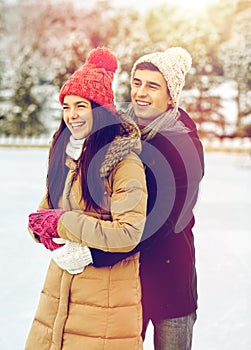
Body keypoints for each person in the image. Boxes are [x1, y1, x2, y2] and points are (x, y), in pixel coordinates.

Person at [25, 47, 147, 350]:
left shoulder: (124, 162)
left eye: (81, 106)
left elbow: (129, 233)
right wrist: (40, 228)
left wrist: (64, 224)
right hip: (58, 296)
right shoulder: (67, 156)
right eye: (66, 106)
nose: (72, 115)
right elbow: (47, 212)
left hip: (104, 302)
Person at [89, 47, 205, 350]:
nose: (140, 92)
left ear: (171, 97)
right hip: (126, 281)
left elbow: (163, 222)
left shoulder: (183, 146)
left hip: (170, 282)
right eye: (137, 82)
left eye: (152, 86)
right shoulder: (120, 135)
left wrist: (95, 254)